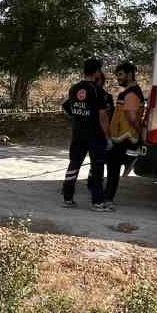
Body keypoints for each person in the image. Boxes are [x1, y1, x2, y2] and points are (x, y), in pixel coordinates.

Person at [62, 57, 112, 211]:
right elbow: (102, 116)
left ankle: (67, 198)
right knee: (97, 167)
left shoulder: (74, 88)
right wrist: (108, 137)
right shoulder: (97, 90)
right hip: (94, 135)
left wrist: (79, 117)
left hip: (78, 133)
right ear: (97, 71)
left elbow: (68, 107)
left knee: (74, 163)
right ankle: (97, 203)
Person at [103, 61, 145, 208]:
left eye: (120, 74)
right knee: (112, 169)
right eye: (117, 75)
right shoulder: (130, 92)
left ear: (130, 74)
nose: (118, 78)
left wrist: (140, 133)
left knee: (113, 170)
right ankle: (107, 196)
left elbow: (132, 117)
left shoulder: (131, 93)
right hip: (121, 137)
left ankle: (107, 199)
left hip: (124, 138)